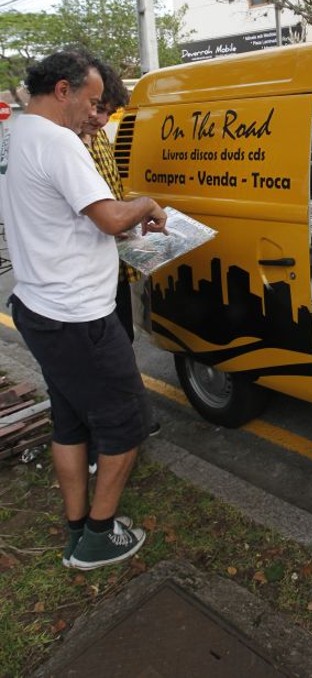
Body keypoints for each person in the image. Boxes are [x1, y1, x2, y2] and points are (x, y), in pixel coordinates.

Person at [3, 51, 168, 571]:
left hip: (38, 306)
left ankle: (77, 526)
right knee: (126, 425)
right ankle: (99, 536)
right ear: (62, 90)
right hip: (79, 317)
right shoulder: (58, 143)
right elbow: (110, 218)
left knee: (71, 422)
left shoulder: (17, 134)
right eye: (93, 102)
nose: (95, 115)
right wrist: (146, 205)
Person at [79, 59, 160, 438]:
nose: (101, 118)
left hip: (114, 261)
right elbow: (102, 214)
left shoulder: (101, 140)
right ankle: (115, 430)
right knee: (102, 354)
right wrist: (136, 211)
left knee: (121, 341)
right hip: (88, 272)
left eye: (108, 112)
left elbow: (114, 194)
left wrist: (135, 220)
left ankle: (133, 418)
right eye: (97, 109)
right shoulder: (69, 149)